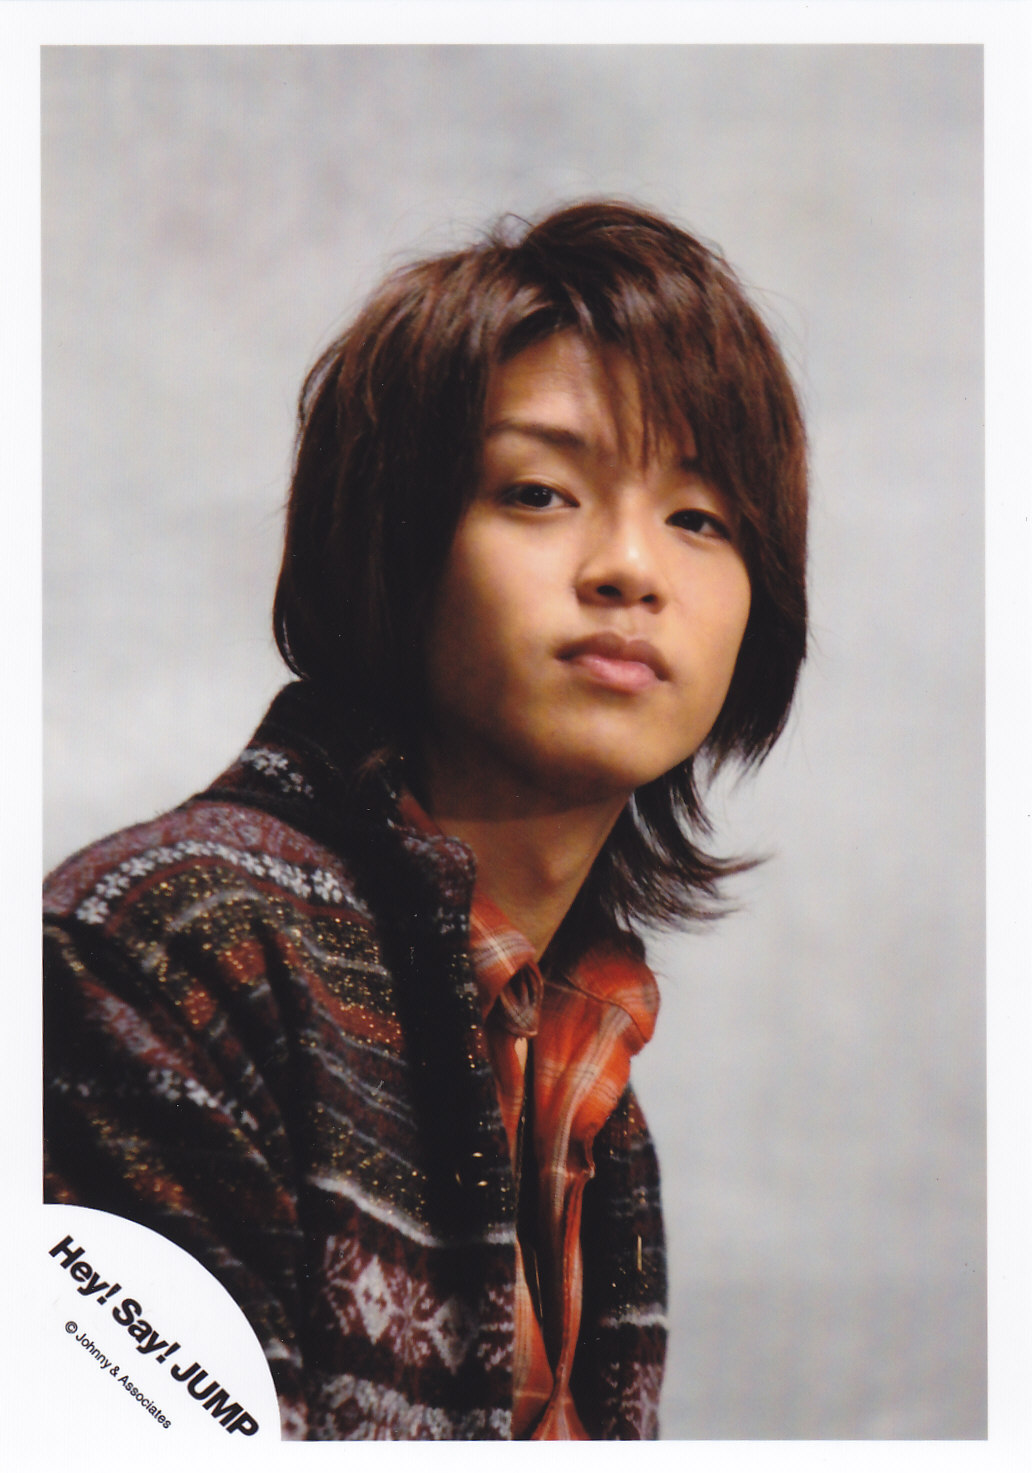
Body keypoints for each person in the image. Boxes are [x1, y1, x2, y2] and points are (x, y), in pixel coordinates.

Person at [43, 201, 808, 1440]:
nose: (632, 568)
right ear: (389, 542)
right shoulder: (157, 958)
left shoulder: (586, 1085)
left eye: (699, 518)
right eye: (540, 492)